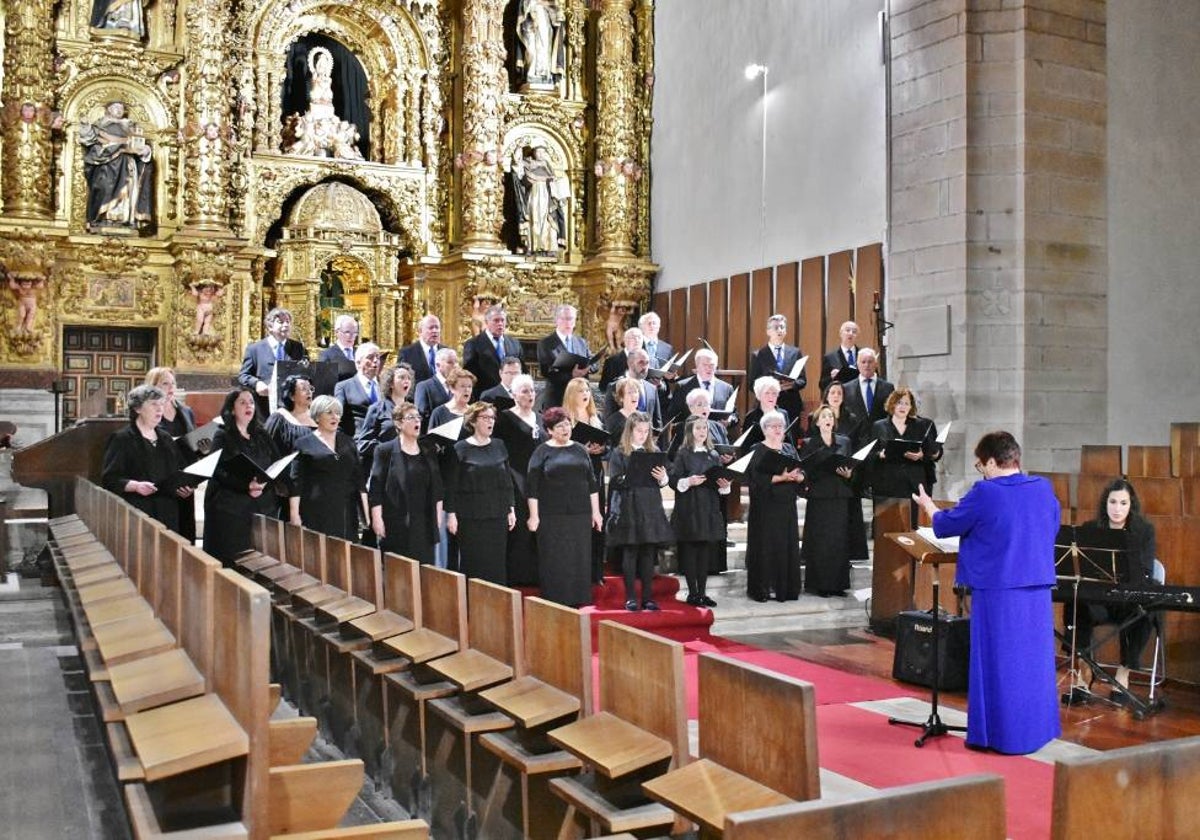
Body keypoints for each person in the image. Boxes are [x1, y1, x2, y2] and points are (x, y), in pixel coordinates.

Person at [913, 431, 1061, 755]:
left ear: (992, 462)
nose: (982, 471)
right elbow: (1051, 526)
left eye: (981, 465)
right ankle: (1035, 731)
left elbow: (946, 525)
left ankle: (1002, 736)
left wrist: (928, 506)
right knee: (1032, 663)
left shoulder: (986, 492)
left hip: (1000, 591)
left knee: (1000, 663)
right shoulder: (1042, 488)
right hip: (1036, 590)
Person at [1064, 478, 1159, 690]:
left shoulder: (1144, 531)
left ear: (1131, 505)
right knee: (1075, 602)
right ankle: (1084, 665)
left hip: (1126, 601)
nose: (1117, 509)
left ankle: (1124, 671)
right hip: (1099, 600)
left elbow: (1145, 570)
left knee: (1146, 611)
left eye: (1123, 503)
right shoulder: (1091, 528)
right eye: (1112, 502)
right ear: (1105, 504)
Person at [526, 407, 603, 607]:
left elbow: (591, 482)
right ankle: (554, 599)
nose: (565, 429)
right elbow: (532, 486)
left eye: (567, 424)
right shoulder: (542, 451)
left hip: (579, 514)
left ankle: (579, 598)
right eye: (560, 426)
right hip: (552, 515)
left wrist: (596, 512)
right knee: (555, 557)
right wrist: (534, 516)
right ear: (549, 430)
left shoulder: (579, 449)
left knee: (579, 556)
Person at [203, 388, 281, 566]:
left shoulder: (262, 434)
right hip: (230, 506)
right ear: (232, 409)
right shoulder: (222, 435)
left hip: (261, 503)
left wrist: (263, 484)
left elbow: (276, 463)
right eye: (243, 402)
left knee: (260, 559)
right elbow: (217, 470)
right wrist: (245, 486)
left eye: (251, 402)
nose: (249, 406)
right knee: (233, 558)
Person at [606, 412, 674, 611]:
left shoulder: (654, 451)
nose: (643, 435)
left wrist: (663, 477)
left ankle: (647, 598)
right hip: (629, 506)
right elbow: (616, 481)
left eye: (646, 431)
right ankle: (631, 597)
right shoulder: (620, 453)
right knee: (631, 552)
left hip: (650, 506)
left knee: (647, 553)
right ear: (630, 431)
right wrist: (630, 475)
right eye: (639, 431)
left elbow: (664, 481)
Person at [101, 385, 191, 531]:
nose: (159, 409)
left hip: (168, 511)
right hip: (139, 512)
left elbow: (179, 470)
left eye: (161, 404)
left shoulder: (166, 438)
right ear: (137, 409)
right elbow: (110, 479)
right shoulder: (122, 438)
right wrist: (136, 486)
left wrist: (185, 486)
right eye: (153, 404)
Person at [446, 402, 517, 584]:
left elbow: (507, 480)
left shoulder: (499, 445)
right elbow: (452, 485)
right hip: (470, 516)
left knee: (496, 561)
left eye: (492, 417)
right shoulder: (460, 448)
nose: (490, 421)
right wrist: (451, 515)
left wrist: (511, 508)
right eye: (485, 418)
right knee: (474, 561)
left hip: (498, 513)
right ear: (473, 421)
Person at [369, 402, 443, 565]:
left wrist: (437, 518)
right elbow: (376, 488)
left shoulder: (428, 451)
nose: (417, 421)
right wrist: (377, 519)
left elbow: (437, 487)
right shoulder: (384, 451)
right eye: (411, 417)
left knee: (425, 572)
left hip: (424, 524)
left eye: (418, 417)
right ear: (398, 423)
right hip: (396, 521)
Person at [798, 404, 861, 597]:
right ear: (817, 422)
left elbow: (852, 466)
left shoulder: (844, 441)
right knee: (820, 541)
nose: (828, 419)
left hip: (840, 494)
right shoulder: (810, 443)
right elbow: (804, 469)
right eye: (824, 417)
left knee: (839, 541)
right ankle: (819, 585)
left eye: (831, 417)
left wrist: (850, 473)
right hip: (819, 495)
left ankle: (838, 584)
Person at [669, 416, 730, 607]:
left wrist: (725, 485)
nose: (702, 431)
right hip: (689, 507)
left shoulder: (713, 455)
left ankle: (702, 593)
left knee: (704, 552)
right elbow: (673, 480)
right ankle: (692, 593)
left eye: (704, 428)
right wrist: (689, 481)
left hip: (708, 506)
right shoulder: (683, 454)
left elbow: (720, 482)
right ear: (690, 431)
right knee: (690, 551)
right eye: (698, 428)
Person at [744, 410, 804, 603]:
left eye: (781, 426)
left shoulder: (789, 449)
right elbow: (754, 477)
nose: (778, 429)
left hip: (786, 504)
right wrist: (780, 478)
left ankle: (785, 590)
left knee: (785, 546)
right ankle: (762, 589)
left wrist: (800, 476)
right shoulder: (757, 449)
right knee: (765, 547)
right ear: (765, 429)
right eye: (774, 426)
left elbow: (801, 470)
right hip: (765, 506)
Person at [288, 395, 366, 541]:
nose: (334, 417)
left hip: (346, 512)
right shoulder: (303, 444)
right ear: (317, 416)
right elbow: (296, 482)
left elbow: (359, 479)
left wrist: (366, 515)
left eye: (337, 413)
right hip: (317, 512)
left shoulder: (348, 442)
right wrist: (294, 514)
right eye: (329, 412)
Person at [868, 387, 941, 529]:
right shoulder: (879, 426)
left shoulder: (921, 426)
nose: (903, 407)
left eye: (907, 403)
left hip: (913, 484)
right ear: (892, 404)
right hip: (887, 485)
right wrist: (880, 455)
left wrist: (921, 455)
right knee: (889, 528)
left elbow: (933, 451)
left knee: (914, 527)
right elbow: (870, 454)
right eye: (900, 402)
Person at [495, 373, 543, 585]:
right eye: (525, 391)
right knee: (520, 528)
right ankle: (518, 575)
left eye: (532, 390)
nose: (530, 394)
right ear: (514, 395)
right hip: (515, 478)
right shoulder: (504, 418)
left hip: (539, 480)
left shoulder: (540, 418)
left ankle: (536, 574)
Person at [78, 101, 153, 230]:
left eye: (121, 108)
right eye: (115, 107)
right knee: (104, 187)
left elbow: (138, 144)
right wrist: (86, 126)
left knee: (127, 190)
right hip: (106, 163)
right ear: (108, 109)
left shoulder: (130, 126)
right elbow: (89, 140)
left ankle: (124, 219)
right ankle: (104, 217)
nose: (118, 110)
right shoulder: (101, 124)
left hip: (126, 162)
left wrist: (145, 150)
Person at [145, 367, 197, 542]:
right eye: (165, 383)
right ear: (153, 387)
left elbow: (194, 448)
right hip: (162, 486)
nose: (170, 387)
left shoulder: (186, 411)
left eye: (173, 383)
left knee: (186, 538)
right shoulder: (147, 414)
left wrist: (192, 484)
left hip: (185, 485)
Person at [564, 377, 608, 582]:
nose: (585, 394)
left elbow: (607, 445)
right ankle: (579, 572)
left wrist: (602, 449)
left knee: (597, 523)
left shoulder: (595, 418)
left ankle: (596, 572)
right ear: (571, 395)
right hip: (575, 476)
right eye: (580, 391)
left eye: (587, 391)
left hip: (596, 471)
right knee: (580, 524)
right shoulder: (565, 420)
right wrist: (583, 449)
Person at [238, 307, 309, 419]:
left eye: (288, 322)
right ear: (270, 326)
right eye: (280, 322)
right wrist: (257, 383)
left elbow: (306, 373)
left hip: (291, 408)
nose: (286, 325)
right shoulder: (254, 349)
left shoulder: (298, 348)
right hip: (264, 407)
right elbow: (243, 375)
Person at [666, 348, 737, 436]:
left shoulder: (726, 388)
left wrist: (729, 421)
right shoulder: (683, 386)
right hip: (690, 438)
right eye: (705, 365)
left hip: (716, 438)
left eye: (712, 365)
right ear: (697, 365)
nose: (709, 368)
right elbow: (673, 415)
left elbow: (734, 414)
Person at [747, 314, 806, 422]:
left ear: (786, 331)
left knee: (789, 438)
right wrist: (769, 386)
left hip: (791, 405)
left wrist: (792, 385)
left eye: (782, 327)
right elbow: (751, 383)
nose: (779, 330)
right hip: (767, 405)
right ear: (768, 331)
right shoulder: (758, 354)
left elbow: (803, 380)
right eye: (776, 327)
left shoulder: (795, 352)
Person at [356, 363, 415, 466]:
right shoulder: (377, 408)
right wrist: (389, 449)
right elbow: (363, 443)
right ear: (391, 383)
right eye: (401, 377)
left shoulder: (413, 410)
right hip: (384, 467)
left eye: (409, 378)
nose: (406, 381)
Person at [512, 146, 567, 254]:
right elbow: (518, 172)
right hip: (534, 194)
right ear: (534, 153)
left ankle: (549, 247)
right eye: (538, 152)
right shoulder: (527, 164)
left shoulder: (547, 166)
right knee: (534, 219)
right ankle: (533, 246)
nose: (541, 154)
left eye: (543, 152)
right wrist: (517, 157)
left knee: (549, 222)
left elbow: (554, 180)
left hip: (547, 197)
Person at [536, 304, 592, 409]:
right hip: (557, 398)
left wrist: (588, 368)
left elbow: (593, 362)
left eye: (571, 319)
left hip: (580, 398)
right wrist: (572, 375)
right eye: (564, 319)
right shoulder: (545, 343)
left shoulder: (581, 342)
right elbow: (546, 371)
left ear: (575, 321)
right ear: (556, 320)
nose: (568, 322)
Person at [463, 305, 524, 398]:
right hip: (485, 398)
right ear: (487, 322)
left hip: (512, 399)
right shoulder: (473, 344)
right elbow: (470, 376)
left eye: (502, 320)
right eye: (496, 320)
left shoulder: (515, 344)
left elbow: (523, 371)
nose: (500, 324)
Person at [602, 348, 662, 429]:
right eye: (641, 362)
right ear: (630, 363)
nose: (645, 367)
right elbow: (608, 421)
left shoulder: (651, 388)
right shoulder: (614, 386)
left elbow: (657, 422)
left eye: (647, 363)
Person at [841, 348, 893, 441]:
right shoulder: (846, 388)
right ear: (857, 364)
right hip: (855, 441)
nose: (867, 365)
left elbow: (891, 414)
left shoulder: (888, 387)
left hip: (880, 439)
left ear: (876, 364)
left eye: (870, 362)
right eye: (863, 362)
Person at [333, 342, 382, 437]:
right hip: (358, 442)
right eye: (370, 357)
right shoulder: (344, 387)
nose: (375, 360)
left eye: (378, 357)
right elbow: (337, 418)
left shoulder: (386, 386)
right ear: (358, 362)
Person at [515, 0, 566, 87]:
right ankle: (531, 73)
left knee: (544, 47)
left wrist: (554, 10)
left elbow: (556, 6)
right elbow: (524, 5)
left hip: (544, 19)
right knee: (531, 49)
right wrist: (532, 11)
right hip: (530, 22)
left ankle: (543, 74)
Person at [414, 347, 459, 426]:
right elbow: (421, 417)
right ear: (438, 365)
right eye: (450, 362)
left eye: (456, 362)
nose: (455, 365)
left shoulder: (460, 386)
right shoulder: (424, 387)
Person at [397, 314, 443, 383]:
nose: (435, 331)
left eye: (437, 327)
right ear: (420, 331)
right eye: (431, 328)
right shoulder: (407, 353)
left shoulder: (446, 351)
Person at [819, 320, 861, 393]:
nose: (851, 333)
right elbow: (822, 385)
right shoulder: (830, 357)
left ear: (857, 336)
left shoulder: (864, 354)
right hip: (840, 397)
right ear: (840, 333)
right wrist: (832, 377)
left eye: (854, 332)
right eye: (847, 330)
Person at [317, 314, 360, 382]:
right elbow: (322, 381)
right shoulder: (327, 354)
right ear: (337, 332)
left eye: (355, 333)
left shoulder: (360, 352)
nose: (351, 336)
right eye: (347, 332)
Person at [823, 380, 863, 445]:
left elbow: (856, 444)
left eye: (839, 393)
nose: (836, 396)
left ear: (843, 397)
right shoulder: (816, 418)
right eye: (833, 393)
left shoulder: (852, 420)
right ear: (827, 397)